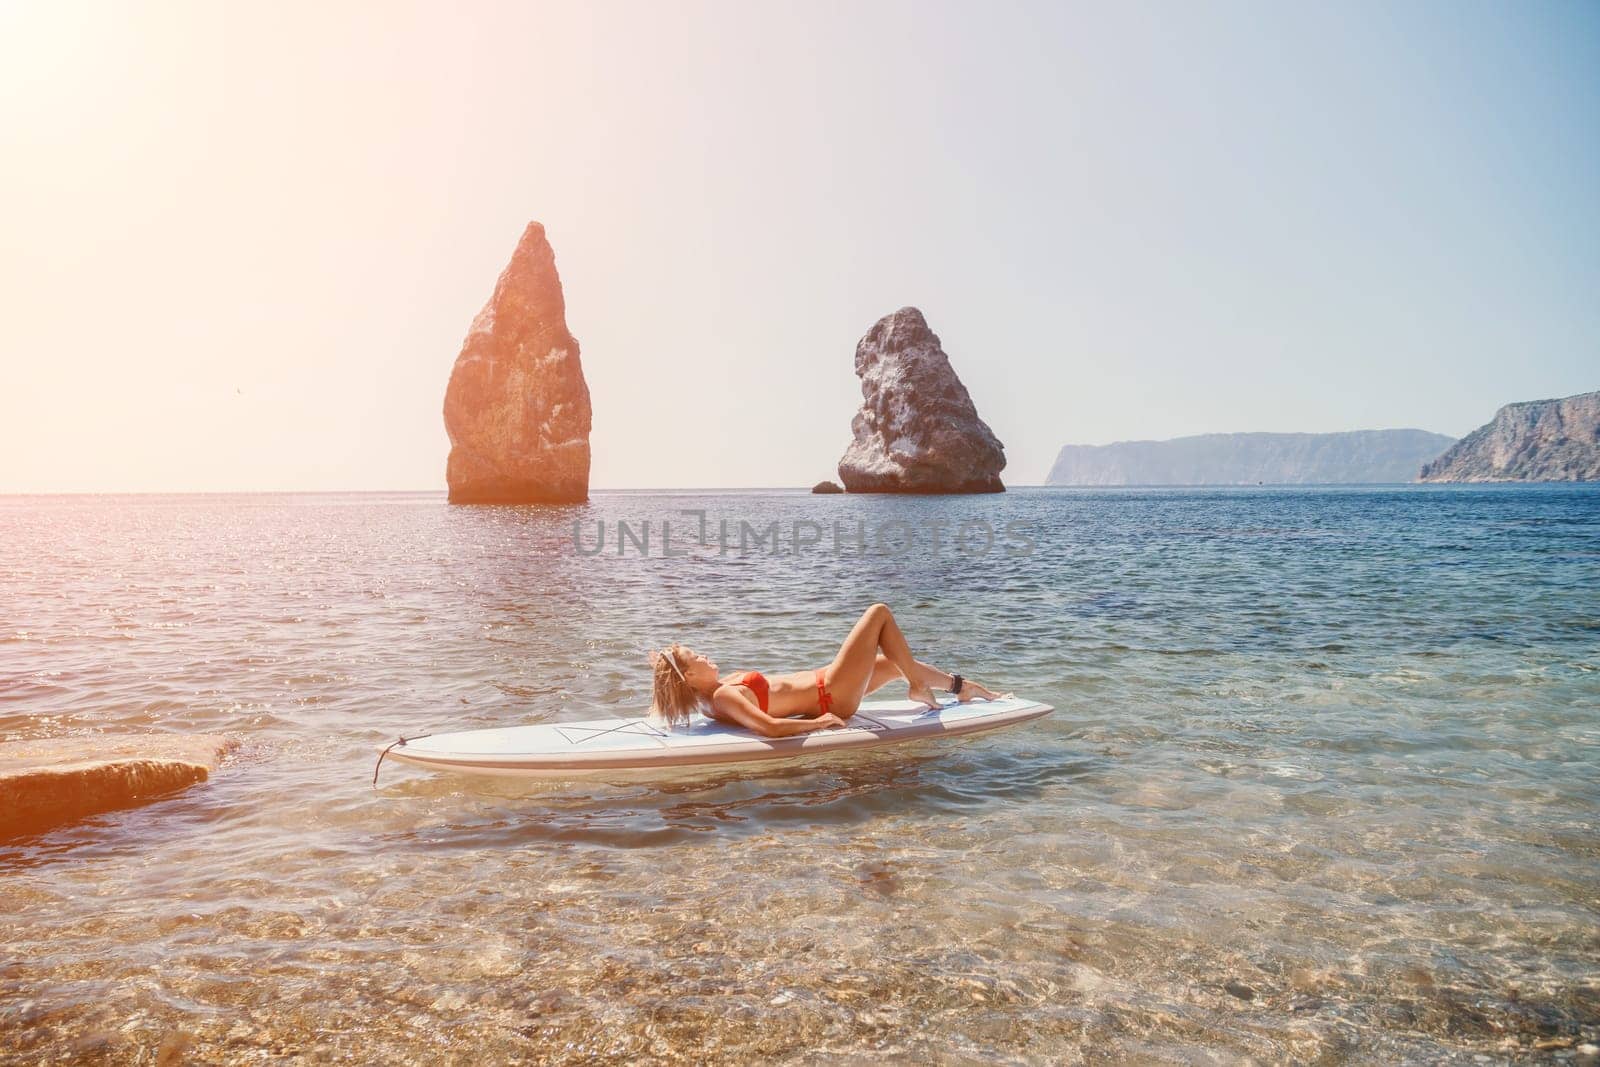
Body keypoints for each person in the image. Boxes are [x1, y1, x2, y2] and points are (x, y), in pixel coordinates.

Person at [648, 602, 1004, 737]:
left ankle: (961, 687)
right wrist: (818, 724)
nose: (705, 656)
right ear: (690, 677)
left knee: (891, 662)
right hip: (831, 693)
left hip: (830, 686)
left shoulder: (714, 696)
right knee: (878, 613)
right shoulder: (724, 696)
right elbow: (769, 728)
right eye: (697, 657)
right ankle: (918, 686)